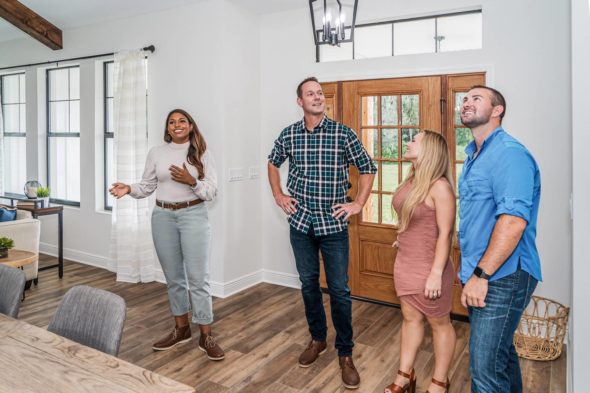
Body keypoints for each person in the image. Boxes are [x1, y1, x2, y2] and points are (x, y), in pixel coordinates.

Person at [267, 77, 376, 390]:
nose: (317, 97)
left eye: (320, 93)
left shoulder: (343, 133)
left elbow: (368, 166)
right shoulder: (289, 134)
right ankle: (318, 339)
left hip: (333, 226)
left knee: (340, 290)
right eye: (310, 94)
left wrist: (358, 203)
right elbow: (272, 163)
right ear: (299, 102)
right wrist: (278, 195)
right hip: (300, 223)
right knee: (308, 284)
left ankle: (345, 353)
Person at [109, 108, 224, 361]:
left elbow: (211, 192)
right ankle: (181, 329)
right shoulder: (157, 153)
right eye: (172, 122)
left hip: (193, 216)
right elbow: (147, 186)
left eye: (182, 121)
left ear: (191, 125)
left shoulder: (203, 154)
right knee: (173, 278)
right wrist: (128, 188)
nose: (177, 125)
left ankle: (206, 335)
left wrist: (190, 181)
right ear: (167, 128)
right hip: (162, 217)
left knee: (198, 279)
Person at [458, 86, 542, 392]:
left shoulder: (509, 153)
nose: (466, 102)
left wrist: (481, 274)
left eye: (476, 98)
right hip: (482, 273)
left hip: (501, 275)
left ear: (497, 110)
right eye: (464, 99)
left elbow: (513, 222)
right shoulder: (474, 155)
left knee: (484, 371)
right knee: (500, 356)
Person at [384, 130, 456, 393]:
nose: (408, 142)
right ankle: (405, 376)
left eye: (414, 140)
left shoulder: (440, 187)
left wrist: (436, 273)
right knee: (410, 319)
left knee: (439, 323)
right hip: (405, 262)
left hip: (430, 267)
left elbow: (446, 233)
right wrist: (402, 238)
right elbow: (411, 219)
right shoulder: (411, 181)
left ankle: (439, 382)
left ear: (430, 150)